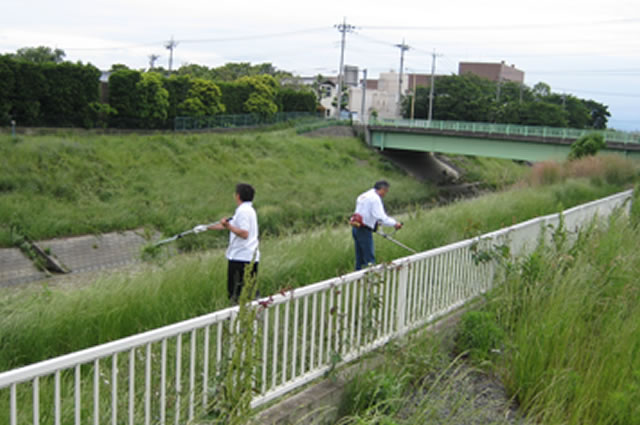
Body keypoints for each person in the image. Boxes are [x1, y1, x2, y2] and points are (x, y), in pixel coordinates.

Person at [200, 183, 260, 302]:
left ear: (237, 196)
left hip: (240, 259)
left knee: (235, 294)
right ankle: (253, 317)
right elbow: (227, 226)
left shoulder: (243, 211)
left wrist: (228, 226)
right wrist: (206, 227)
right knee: (250, 293)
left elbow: (244, 233)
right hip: (250, 257)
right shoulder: (248, 210)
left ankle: (238, 318)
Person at [351, 180, 402, 270]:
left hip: (356, 228)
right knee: (369, 258)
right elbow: (380, 217)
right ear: (382, 189)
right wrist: (395, 223)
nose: (385, 194)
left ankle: (358, 279)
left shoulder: (364, 195)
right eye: (386, 192)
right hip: (364, 230)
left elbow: (365, 213)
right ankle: (371, 279)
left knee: (359, 258)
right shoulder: (375, 198)